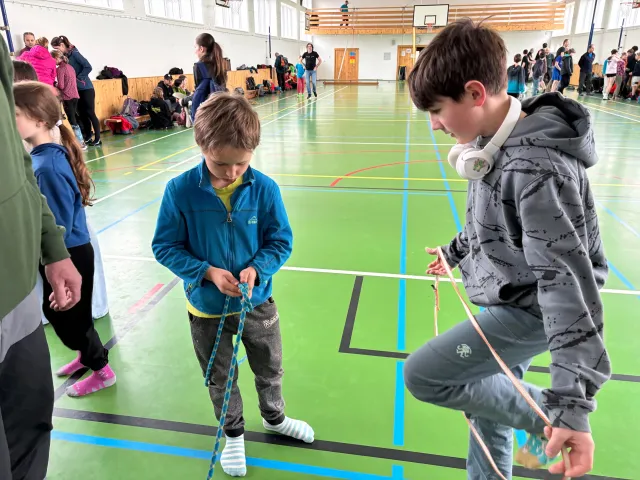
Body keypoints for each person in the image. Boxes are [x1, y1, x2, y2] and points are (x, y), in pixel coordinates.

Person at [404, 19, 610, 480]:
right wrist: (455, 251)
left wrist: (571, 407)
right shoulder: (490, 143)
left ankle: (551, 419)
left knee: (424, 374)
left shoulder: (538, 168)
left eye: (437, 110)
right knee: (489, 408)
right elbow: (492, 220)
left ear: (475, 93)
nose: (434, 124)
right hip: (510, 293)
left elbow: (567, 289)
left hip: (529, 309)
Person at [152, 93, 315, 477]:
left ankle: (275, 418)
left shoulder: (265, 189)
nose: (231, 172)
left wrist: (259, 268)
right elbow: (165, 246)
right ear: (201, 146)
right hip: (206, 310)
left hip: (257, 302)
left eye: (242, 162)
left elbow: (281, 241)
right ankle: (234, 434)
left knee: (270, 366)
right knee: (221, 377)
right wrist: (206, 272)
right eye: (221, 163)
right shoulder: (180, 191)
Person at [1, 40, 82, 480]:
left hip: (19, 299)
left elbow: (19, 170)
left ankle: (94, 360)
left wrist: (53, 248)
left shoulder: (45, 163)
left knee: (31, 423)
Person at [13, 81, 116, 398]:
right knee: (71, 316)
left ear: (39, 120)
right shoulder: (46, 157)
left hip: (68, 254)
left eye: (14, 115)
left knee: (70, 319)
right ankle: (86, 357)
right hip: (69, 251)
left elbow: (58, 226)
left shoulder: (46, 167)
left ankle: (101, 371)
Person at [51, 35, 101, 147]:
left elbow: (88, 66)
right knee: (82, 114)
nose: (56, 51)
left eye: (57, 48)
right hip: (76, 90)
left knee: (90, 113)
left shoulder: (74, 54)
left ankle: (98, 138)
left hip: (86, 88)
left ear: (62, 45)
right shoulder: (65, 58)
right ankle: (88, 136)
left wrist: (78, 78)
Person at [51, 50, 87, 150]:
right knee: (75, 117)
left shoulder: (60, 69)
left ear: (56, 58)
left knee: (72, 120)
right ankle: (82, 140)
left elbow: (61, 86)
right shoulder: (70, 67)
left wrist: (55, 84)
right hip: (75, 95)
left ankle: (80, 143)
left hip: (67, 97)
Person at [191, 33, 227, 120]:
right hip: (221, 107)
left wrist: (184, 100)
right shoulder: (220, 64)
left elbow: (201, 93)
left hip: (207, 111)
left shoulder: (199, 66)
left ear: (201, 49)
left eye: (195, 47)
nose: (194, 51)